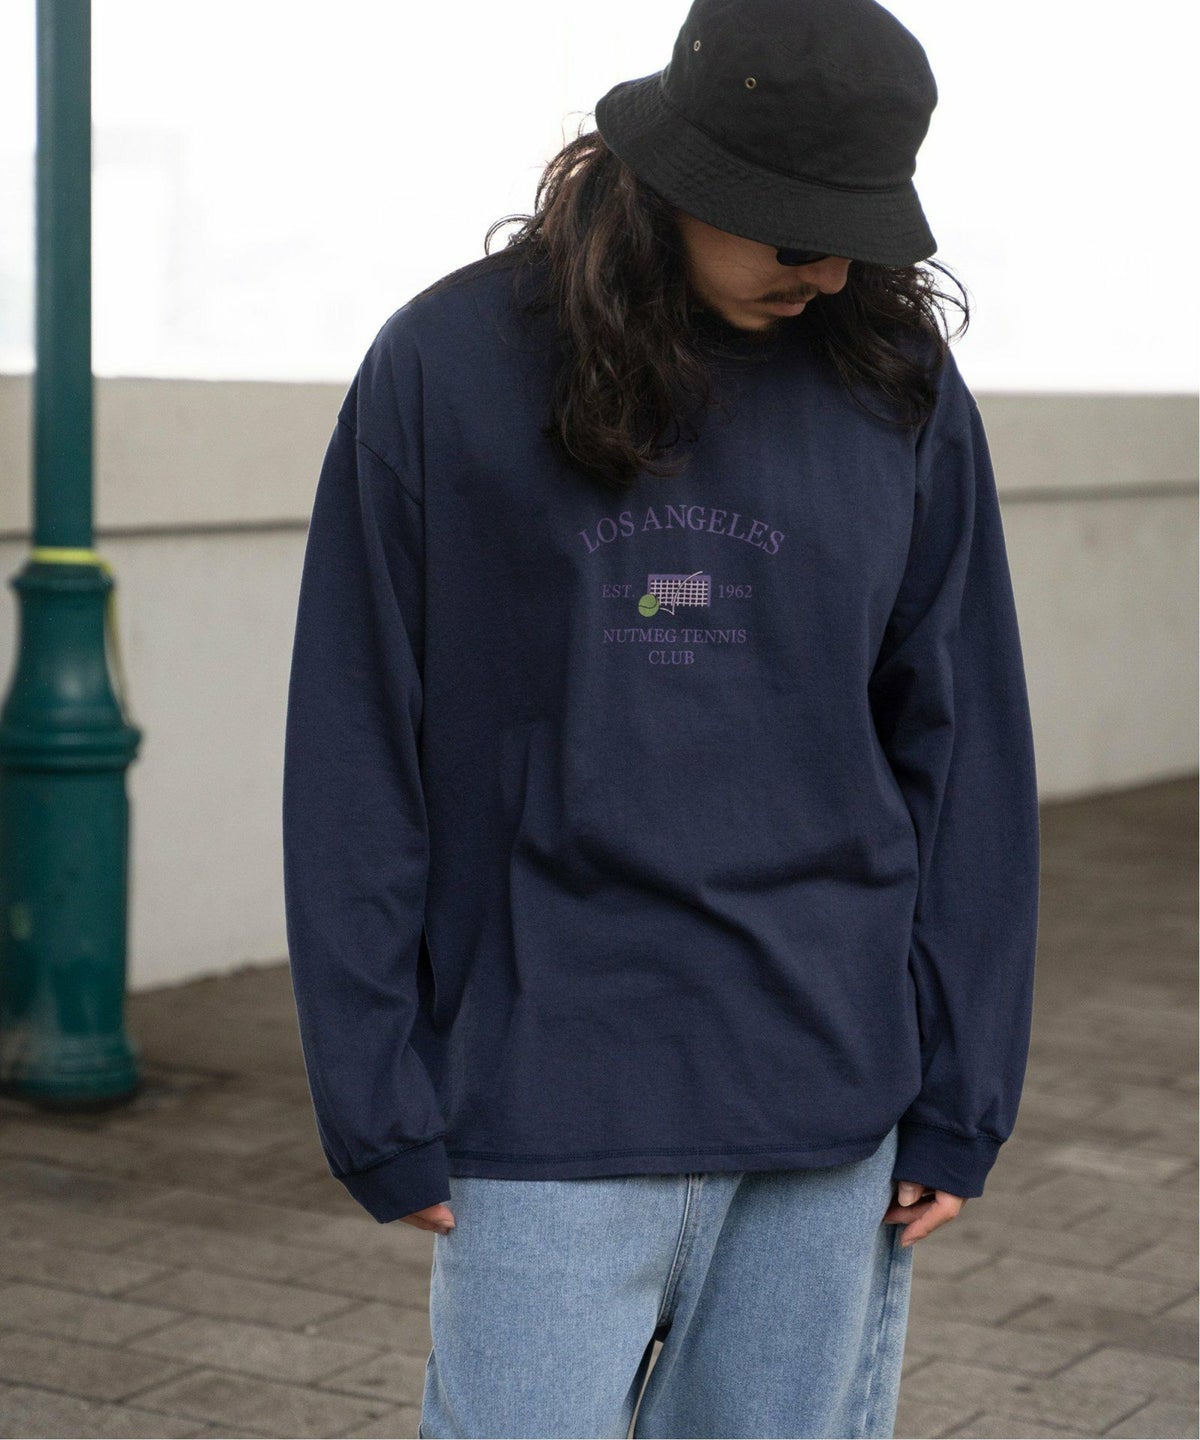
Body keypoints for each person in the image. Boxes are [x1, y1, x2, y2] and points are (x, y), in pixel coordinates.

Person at [280, 0, 1041, 1435]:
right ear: (677, 174)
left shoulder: (896, 387)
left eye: (856, 234)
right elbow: (355, 738)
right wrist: (371, 1090)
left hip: (826, 1098)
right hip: (541, 1090)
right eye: (794, 230)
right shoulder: (447, 367)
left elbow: (966, 744)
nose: (828, 270)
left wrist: (964, 1082)